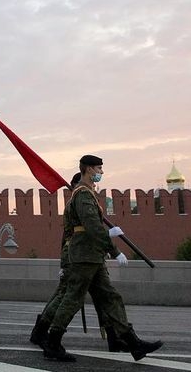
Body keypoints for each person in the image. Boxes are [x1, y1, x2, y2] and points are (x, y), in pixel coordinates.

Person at [43, 155, 163, 362]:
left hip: (92, 256)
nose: (101, 172)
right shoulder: (82, 194)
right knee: (73, 298)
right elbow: (92, 227)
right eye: (99, 168)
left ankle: (132, 343)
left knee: (110, 297)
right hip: (84, 256)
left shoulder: (87, 193)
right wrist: (115, 250)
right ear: (89, 169)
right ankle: (52, 343)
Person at [29, 173, 128, 352]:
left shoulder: (83, 201)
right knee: (67, 296)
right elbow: (73, 235)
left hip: (90, 254)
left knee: (103, 297)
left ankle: (115, 337)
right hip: (78, 256)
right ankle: (42, 332)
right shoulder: (77, 202)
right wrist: (64, 263)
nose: (94, 185)